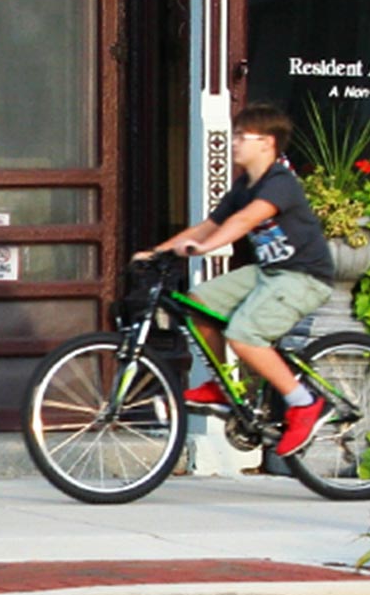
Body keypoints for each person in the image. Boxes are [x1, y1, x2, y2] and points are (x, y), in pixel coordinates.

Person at [134, 102, 338, 458]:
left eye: (244, 135)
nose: (235, 141)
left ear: (268, 143)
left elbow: (244, 221)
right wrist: (158, 251)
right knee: (197, 304)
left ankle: (304, 403)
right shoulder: (245, 185)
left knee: (244, 335)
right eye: (236, 134)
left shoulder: (280, 182)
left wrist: (205, 248)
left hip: (302, 276)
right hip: (270, 273)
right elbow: (208, 226)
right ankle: (225, 387)